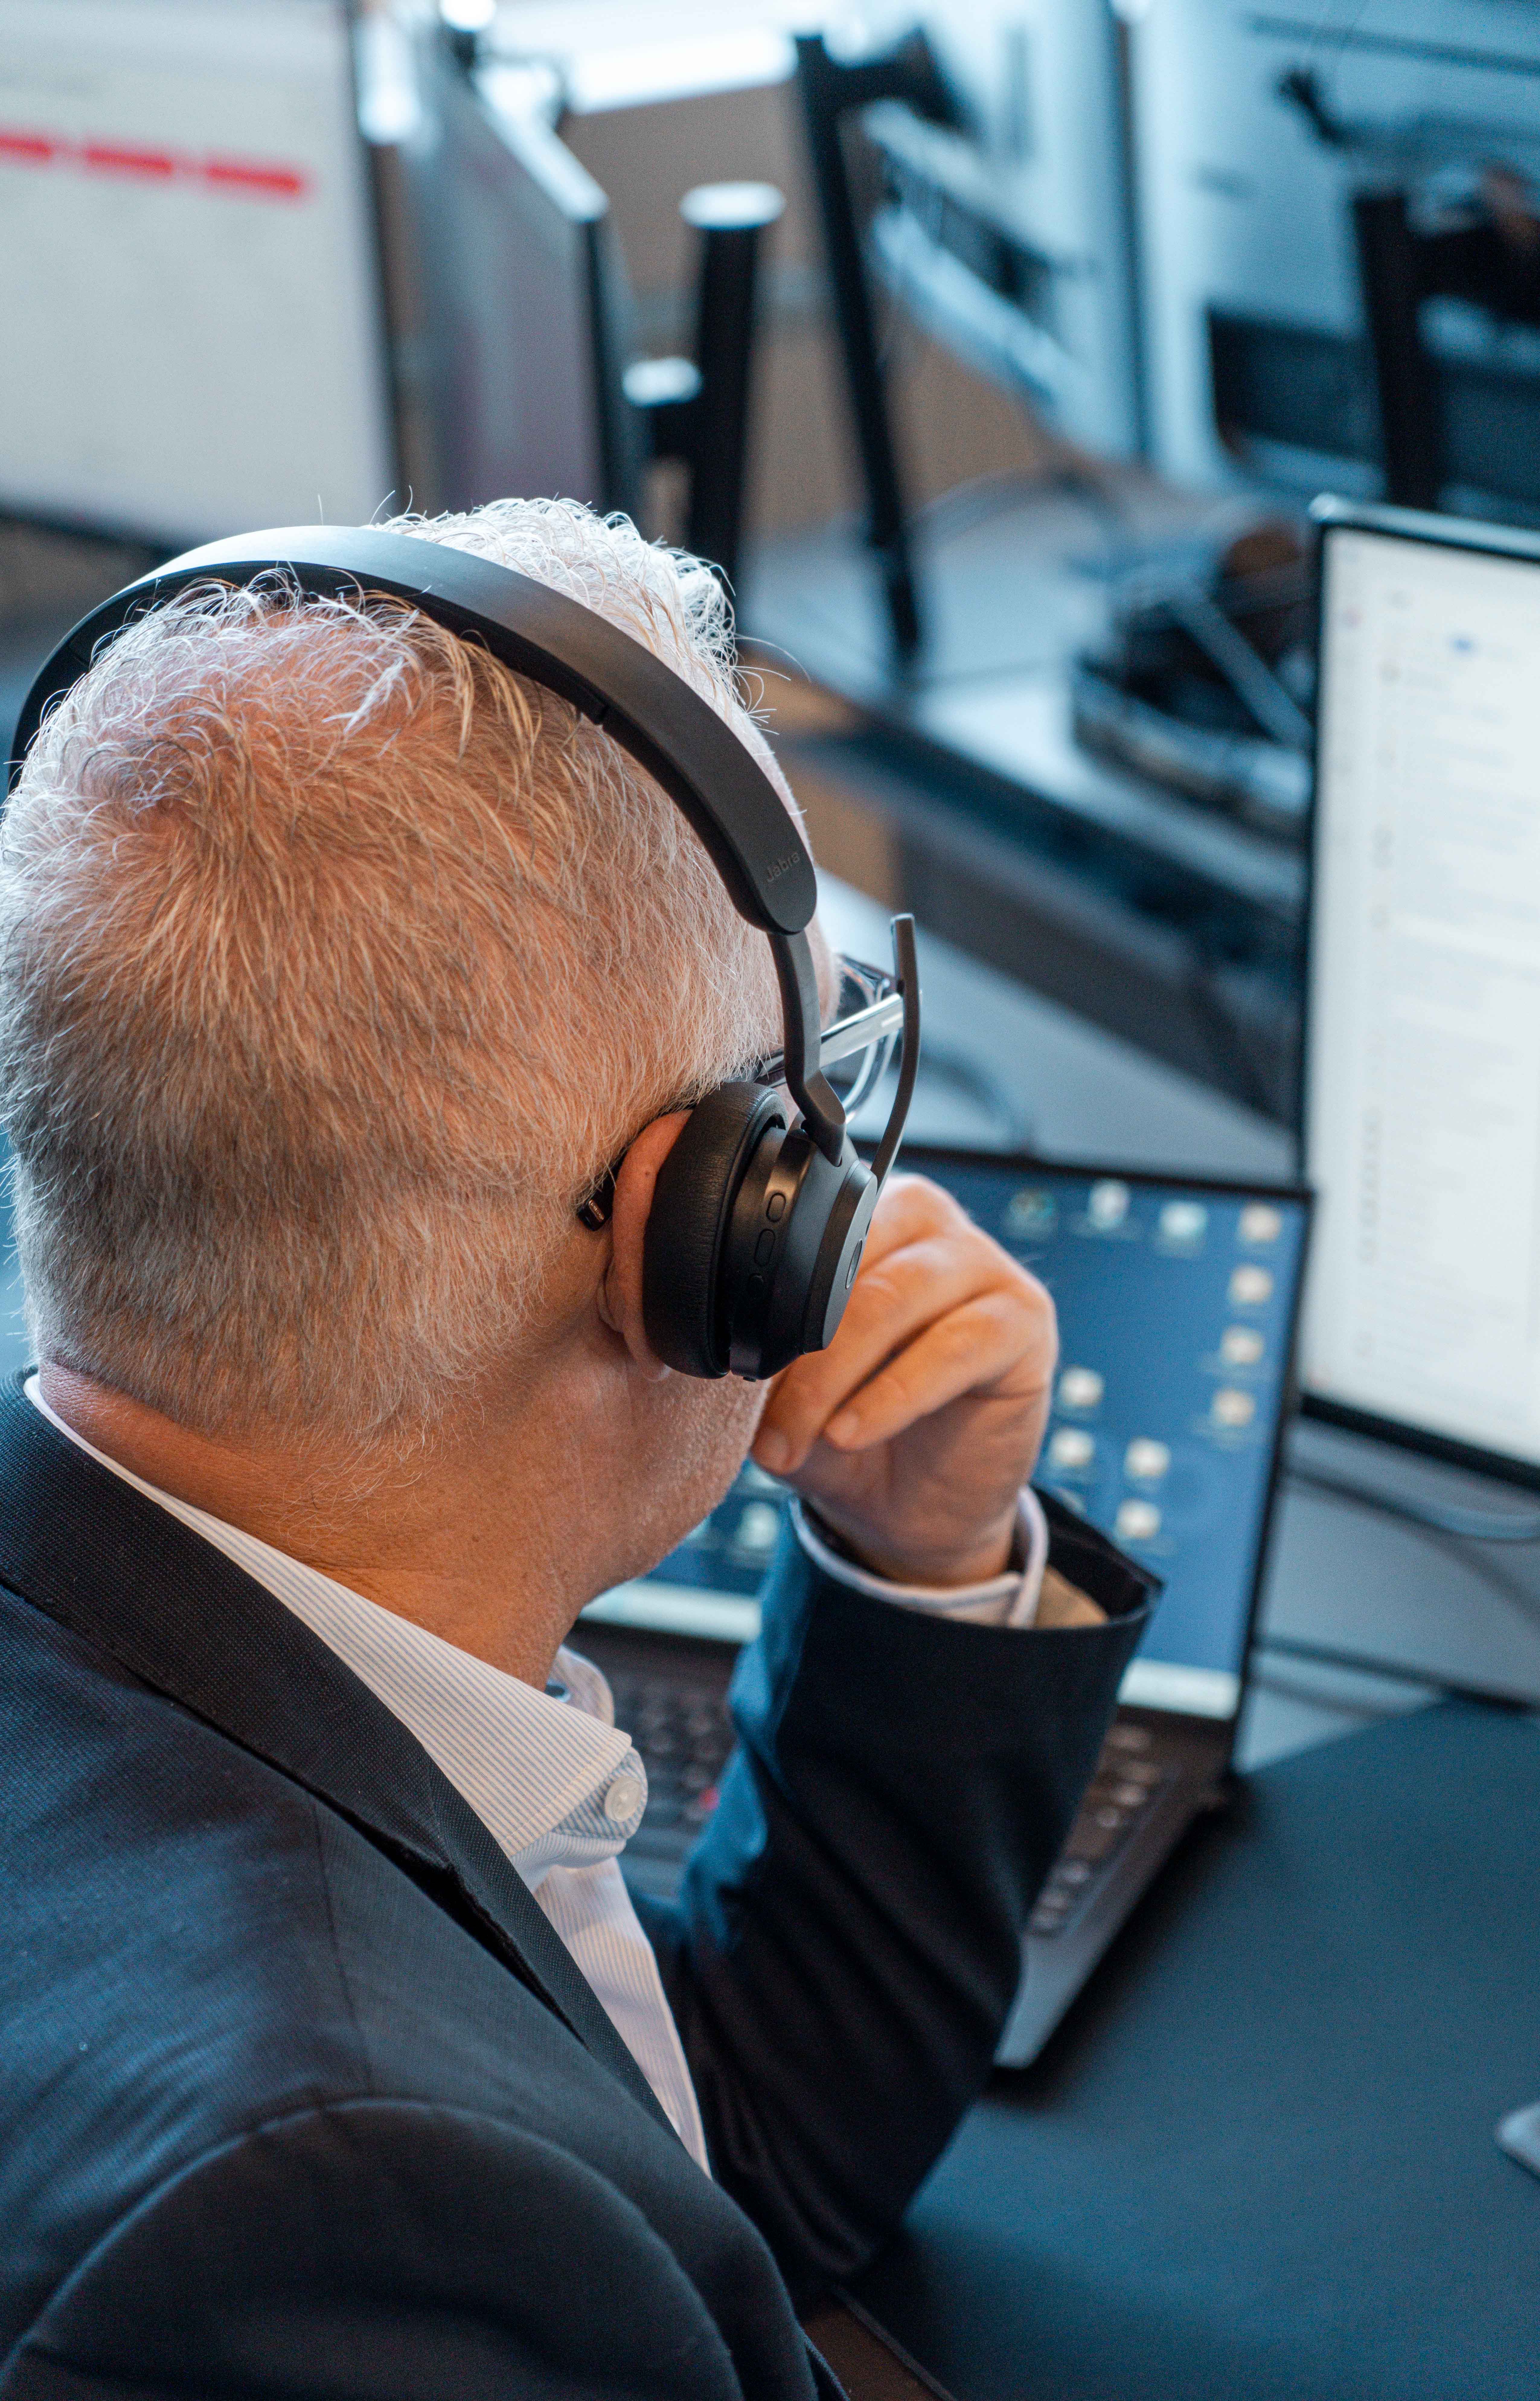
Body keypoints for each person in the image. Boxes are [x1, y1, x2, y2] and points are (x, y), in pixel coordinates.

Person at [0, 500, 1151, 2399]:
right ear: (702, 1233)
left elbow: (699, 2174)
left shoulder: (183, 1654)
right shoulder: (333, 2215)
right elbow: (497, 2182)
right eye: (809, 1096)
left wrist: (923, 1567)